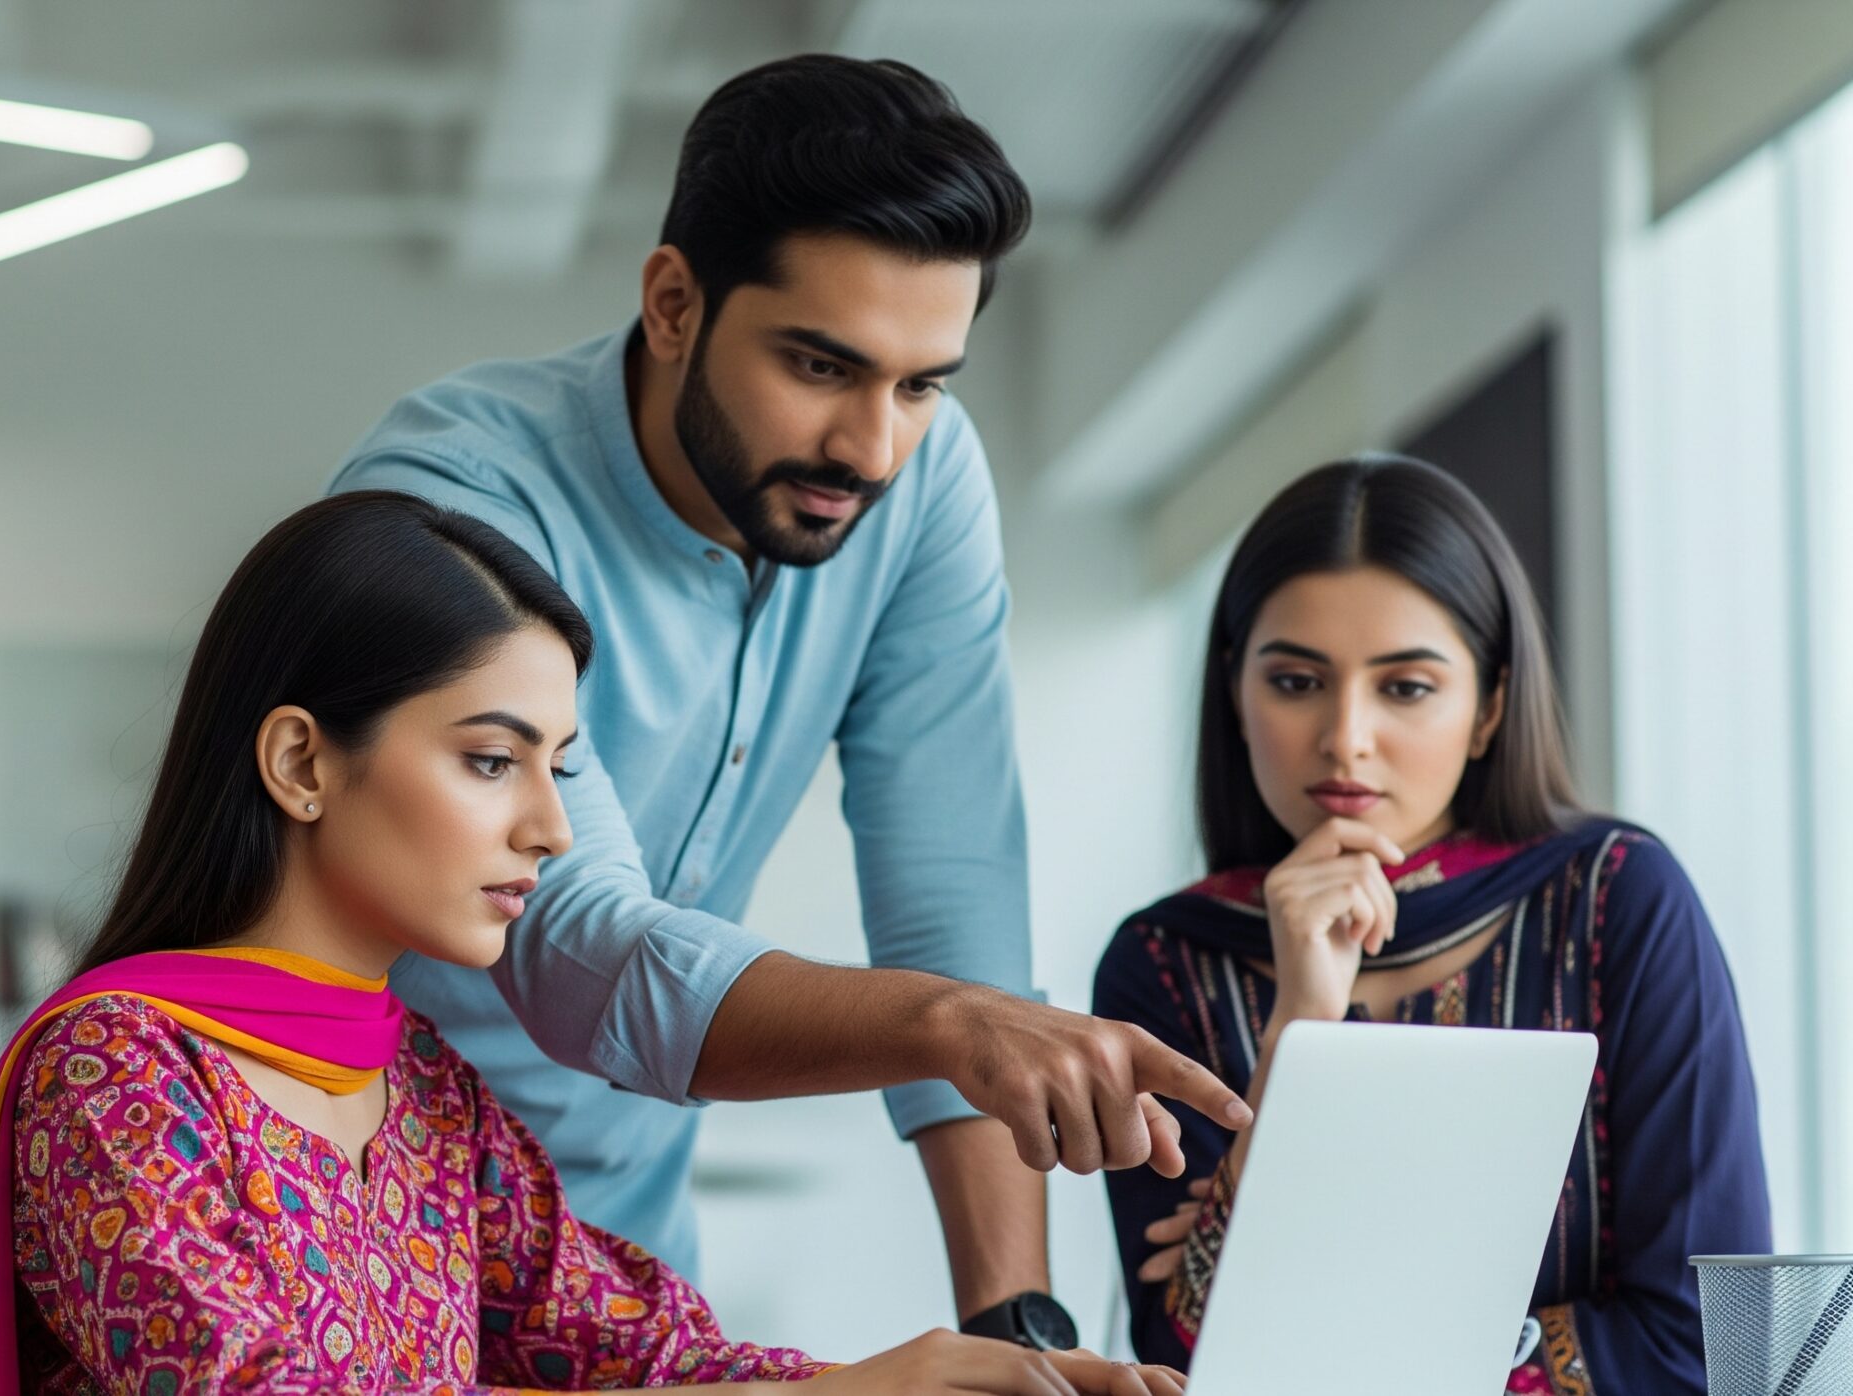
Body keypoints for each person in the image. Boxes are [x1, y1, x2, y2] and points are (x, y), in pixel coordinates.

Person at [329, 53, 1246, 1349]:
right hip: (353, 1223)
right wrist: (952, 1023)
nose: (871, 449)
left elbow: (953, 900)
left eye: (924, 383)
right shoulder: (458, 501)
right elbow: (575, 942)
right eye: (822, 366)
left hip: (628, 1254)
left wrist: (1018, 1330)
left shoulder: (920, 485)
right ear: (670, 303)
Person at [0, 492, 1187, 1395]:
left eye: (558, 767)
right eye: (488, 759)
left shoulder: (426, 1095)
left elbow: (641, 1351)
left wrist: (957, 1377)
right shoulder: (118, 1068)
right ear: (300, 760)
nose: (552, 827)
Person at [1091, 455, 1770, 1392]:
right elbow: (1190, 1362)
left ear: (1489, 707)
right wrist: (1300, 1023)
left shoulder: (1616, 900)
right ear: (1235, 693)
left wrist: (1337, 1329)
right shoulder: (1166, 964)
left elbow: (1712, 1343)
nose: (1346, 737)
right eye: (1295, 682)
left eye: (1404, 687)